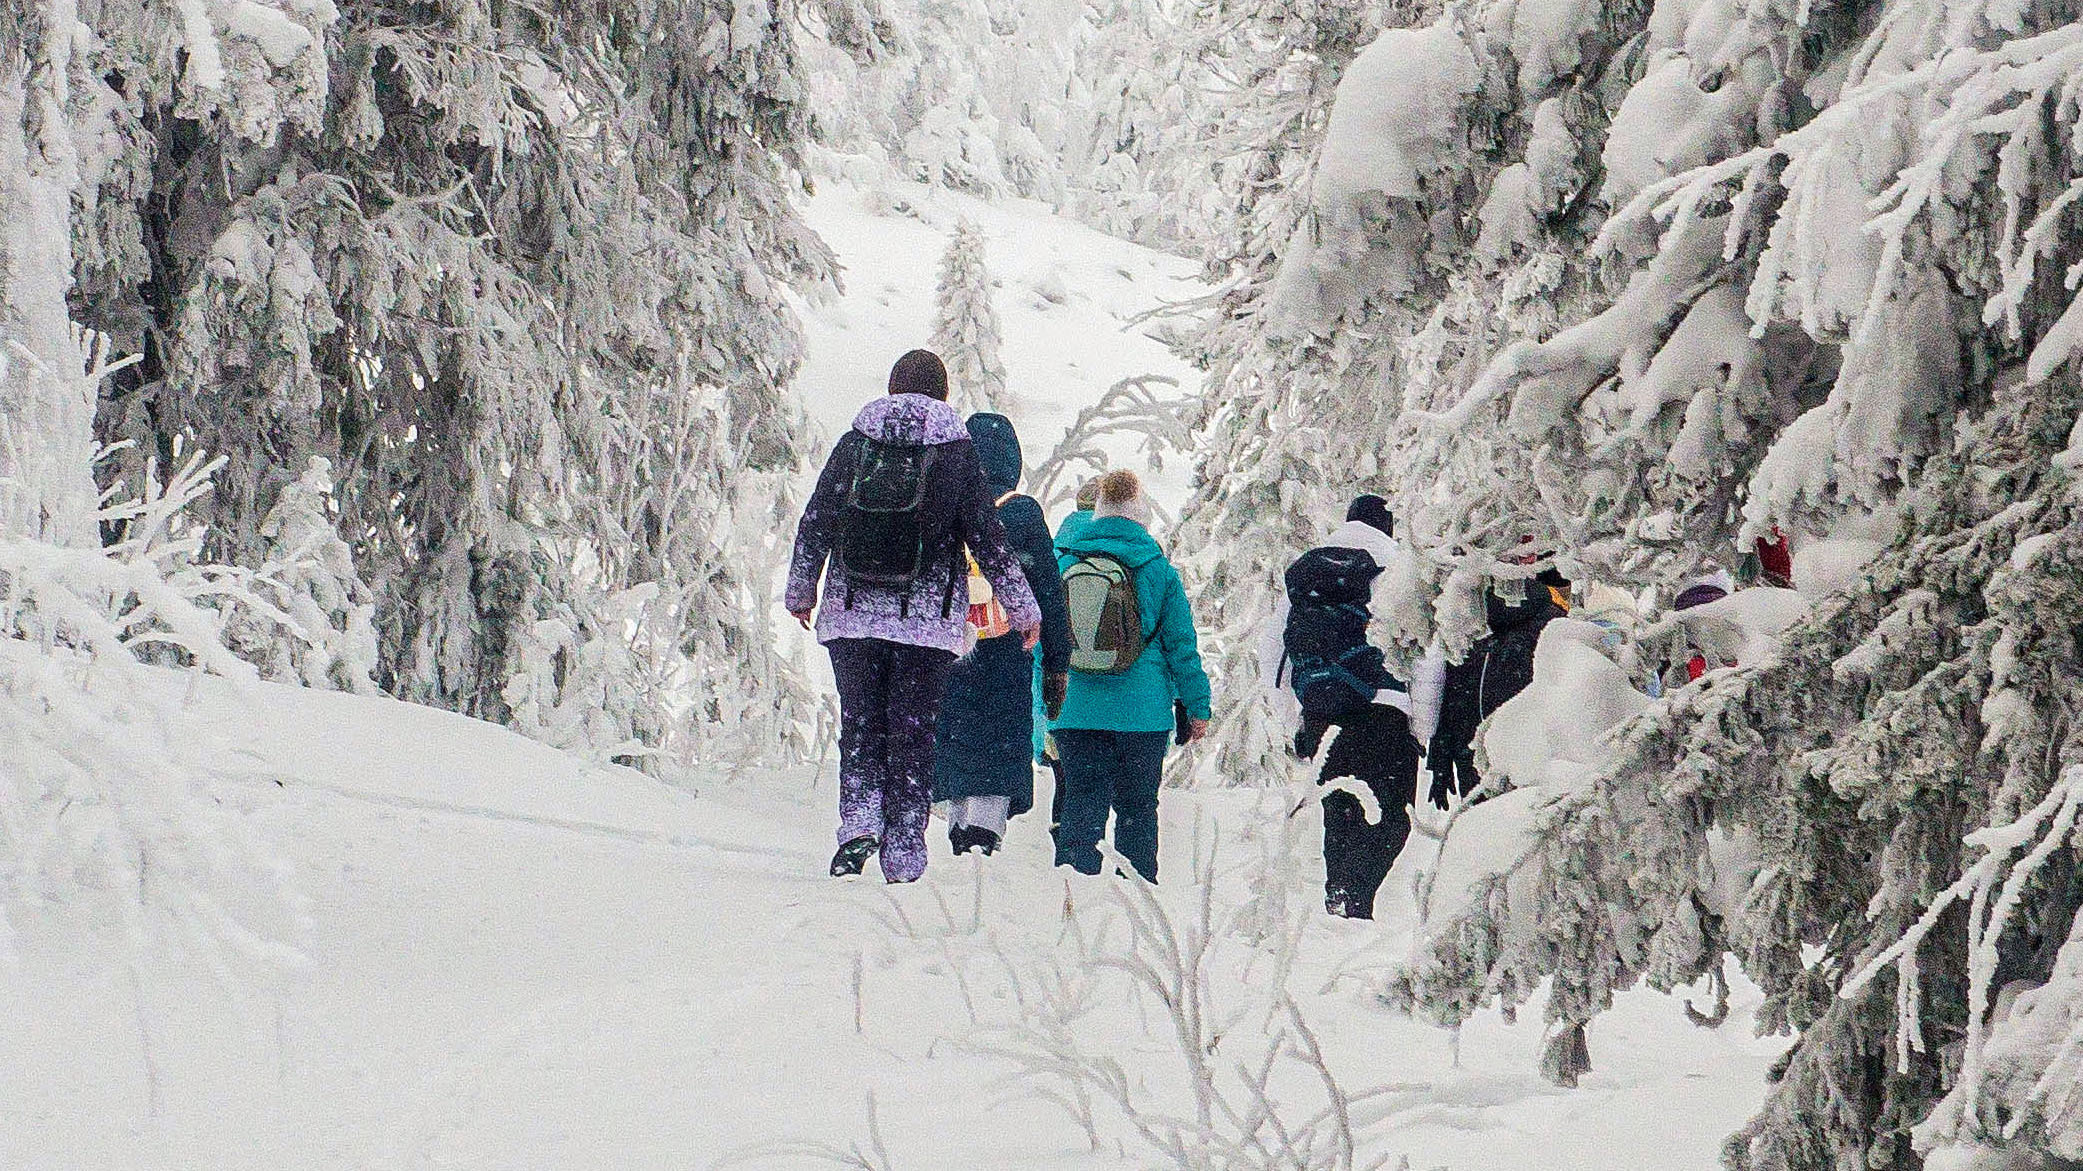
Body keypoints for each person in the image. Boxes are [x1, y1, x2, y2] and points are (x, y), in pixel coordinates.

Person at [786, 350, 1041, 884]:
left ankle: (858, 827)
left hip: (853, 612)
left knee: (861, 723)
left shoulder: (858, 441)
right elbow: (987, 537)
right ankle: (903, 849)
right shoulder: (955, 449)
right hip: (926, 620)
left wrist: (801, 588)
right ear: (943, 395)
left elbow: (819, 515)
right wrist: (1022, 607)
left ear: (891, 387)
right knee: (913, 730)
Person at [1278, 495, 1441, 919]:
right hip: (1385, 713)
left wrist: (1296, 715)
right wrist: (1421, 727)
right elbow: (1426, 654)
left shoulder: (1309, 575)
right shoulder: (1398, 571)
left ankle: (1343, 901)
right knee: (1393, 817)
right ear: (1388, 526)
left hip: (1323, 715)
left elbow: (1273, 652)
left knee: (1341, 812)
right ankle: (1363, 904)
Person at [1049, 470, 1211, 882]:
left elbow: (1045, 647)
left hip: (1076, 709)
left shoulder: (1065, 561)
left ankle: (1072, 899)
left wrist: (1046, 706)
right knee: (1138, 808)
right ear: (1140, 514)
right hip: (1143, 714)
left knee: (1082, 800)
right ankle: (1137, 901)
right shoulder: (1158, 570)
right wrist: (1197, 708)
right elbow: (1182, 648)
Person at [933, 413, 1072, 856]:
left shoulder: (944, 502)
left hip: (951, 647)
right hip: (1007, 650)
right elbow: (1049, 591)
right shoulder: (1022, 513)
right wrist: (1056, 664)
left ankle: (958, 823)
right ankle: (986, 829)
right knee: (999, 735)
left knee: (955, 733)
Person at [1426, 560, 1570, 807]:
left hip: (1469, 752)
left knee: (1480, 835)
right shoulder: (1555, 625)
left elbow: (1451, 688)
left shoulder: (1473, 622)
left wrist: (1440, 751)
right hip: (1531, 758)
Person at [1039, 476, 1105, 843]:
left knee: (1066, 773)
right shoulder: (1129, 555)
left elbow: (1036, 639)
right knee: (1095, 778)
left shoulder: (1054, 556)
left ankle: (1063, 832)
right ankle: (1086, 847)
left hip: (1060, 690)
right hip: (1109, 689)